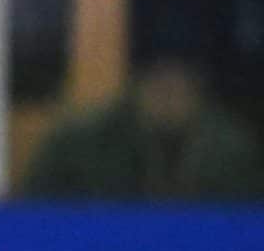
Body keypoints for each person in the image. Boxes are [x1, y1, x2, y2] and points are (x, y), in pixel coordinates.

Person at [22, 43, 264, 202]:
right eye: (158, 79)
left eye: (181, 81)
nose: (169, 92)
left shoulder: (233, 149)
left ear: (199, 86)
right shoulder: (80, 142)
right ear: (137, 83)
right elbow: (35, 216)